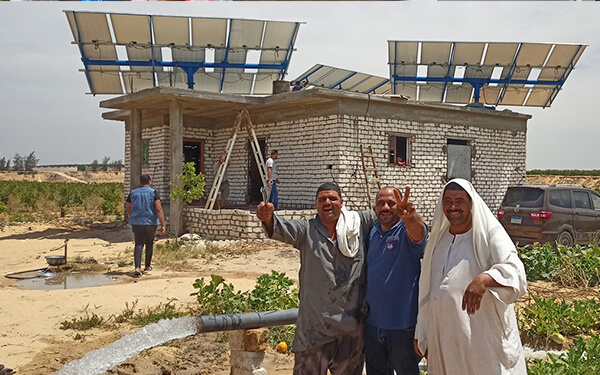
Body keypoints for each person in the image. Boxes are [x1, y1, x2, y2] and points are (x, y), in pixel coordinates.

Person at [256, 182, 376, 375]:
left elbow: (386, 211)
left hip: (350, 333)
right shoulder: (306, 230)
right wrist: (268, 218)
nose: (327, 202)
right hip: (313, 332)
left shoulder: (358, 224)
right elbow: (279, 227)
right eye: (322, 199)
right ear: (316, 205)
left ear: (342, 202)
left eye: (332, 198)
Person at [414, 178, 527, 375]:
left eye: (459, 200)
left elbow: (516, 271)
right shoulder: (439, 241)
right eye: (448, 201)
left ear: (471, 203)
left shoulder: (489, 235)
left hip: (482, 341)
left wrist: (485, 279)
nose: (453, 206)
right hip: (446, 339)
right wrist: (423, 331)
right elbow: (428, 291)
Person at [364, 186, 428, 375]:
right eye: (380, 203)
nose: (385, 207)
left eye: (391, 203)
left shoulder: (405, 231)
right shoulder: (373, 232)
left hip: (402, 328)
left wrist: (410, 218)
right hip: (373, 326)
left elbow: (419, 233)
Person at [126, 174, 166, 276]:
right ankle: (147, 266)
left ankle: (137, 267)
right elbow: (158, 208)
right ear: (150, 181)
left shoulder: (132, 193)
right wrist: (163, 224)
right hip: (150, 222)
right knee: (149, 242)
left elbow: (128, 209)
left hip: (136, 222)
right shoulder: (153, 192)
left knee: (138, 243)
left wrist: (132, 217)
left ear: (140, 182)